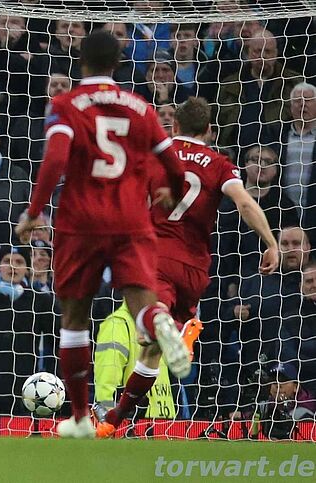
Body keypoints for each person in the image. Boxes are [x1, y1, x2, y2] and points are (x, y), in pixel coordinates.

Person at [14, 31, 189, 438]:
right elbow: (172, 162)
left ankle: (79, 418)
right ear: (118, 62)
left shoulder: (66, 104)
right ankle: (160, 321)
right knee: (142, 303)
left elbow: (55, 158)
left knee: (75, 318)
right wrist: (174, 192)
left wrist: (34, 212)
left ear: (81, 60)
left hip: (81, 222)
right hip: (132, 220)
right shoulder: (141, 108)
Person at [96, 98, 280, 437]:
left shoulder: (155, 156)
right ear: (209, 130)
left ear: (175, 126)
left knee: (149, 327)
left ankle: (164, 325)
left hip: (156, 257)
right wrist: (271, 242)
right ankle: (114, 419)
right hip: (195, 268)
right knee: (152, 352)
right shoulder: (220, 164)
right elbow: (244, 203)